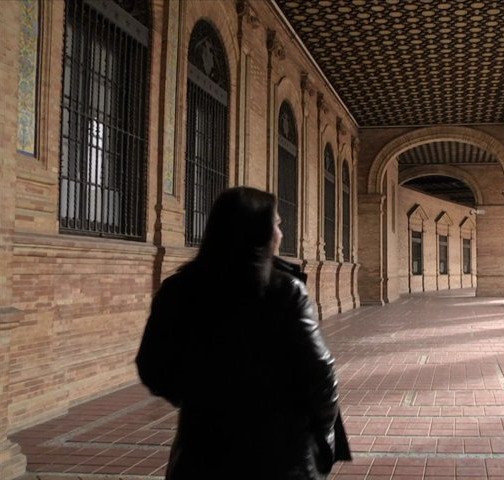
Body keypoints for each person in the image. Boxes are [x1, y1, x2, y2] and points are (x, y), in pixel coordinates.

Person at [136, 186, 350, 479]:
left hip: (202, 452)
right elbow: (321, 374)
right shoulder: (284, 291)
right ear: (259, 231)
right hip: (280, 454)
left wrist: (200, 399)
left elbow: (151, 366)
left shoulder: (178, 289)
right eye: (276, 224)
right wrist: (323, 433)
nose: (280, 233)